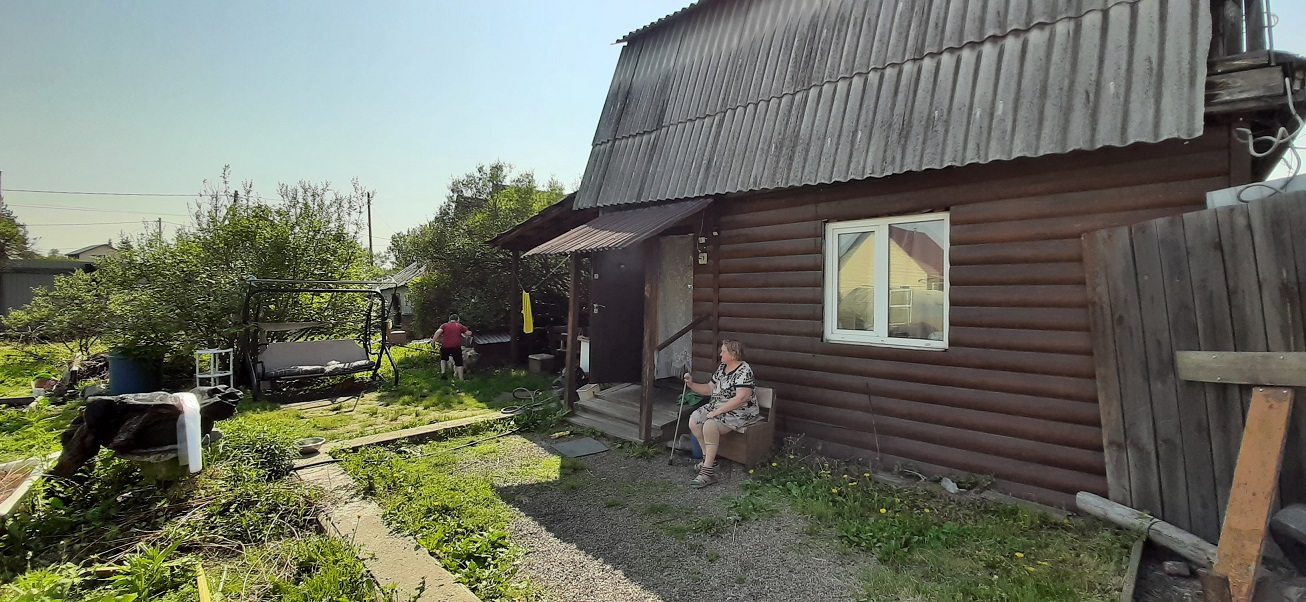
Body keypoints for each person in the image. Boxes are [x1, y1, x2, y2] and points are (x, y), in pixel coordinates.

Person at [682, 339, 757, 488]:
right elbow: (710, 389)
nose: (720, 354)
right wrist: (691, 384)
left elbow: (742, 398)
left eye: (723, 351)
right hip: (718, 406)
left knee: (710, 425)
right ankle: (709, 461)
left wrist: (718, 411)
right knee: (694, 420)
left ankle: (707, 473)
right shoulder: (723, 367)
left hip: (740, 411)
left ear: (733, 354)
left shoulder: (744, 370)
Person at [434, 314, 472, 381]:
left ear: (449, 320)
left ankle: (443, 373)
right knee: (459, 362)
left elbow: (438, 332)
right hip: (456, 346)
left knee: (443, 359)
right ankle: (461, 379)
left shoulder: (444, 325)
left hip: (445, 346)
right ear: (458, 320)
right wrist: (470, 331)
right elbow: (468, 333)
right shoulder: (459, 326)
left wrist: (433, 341)